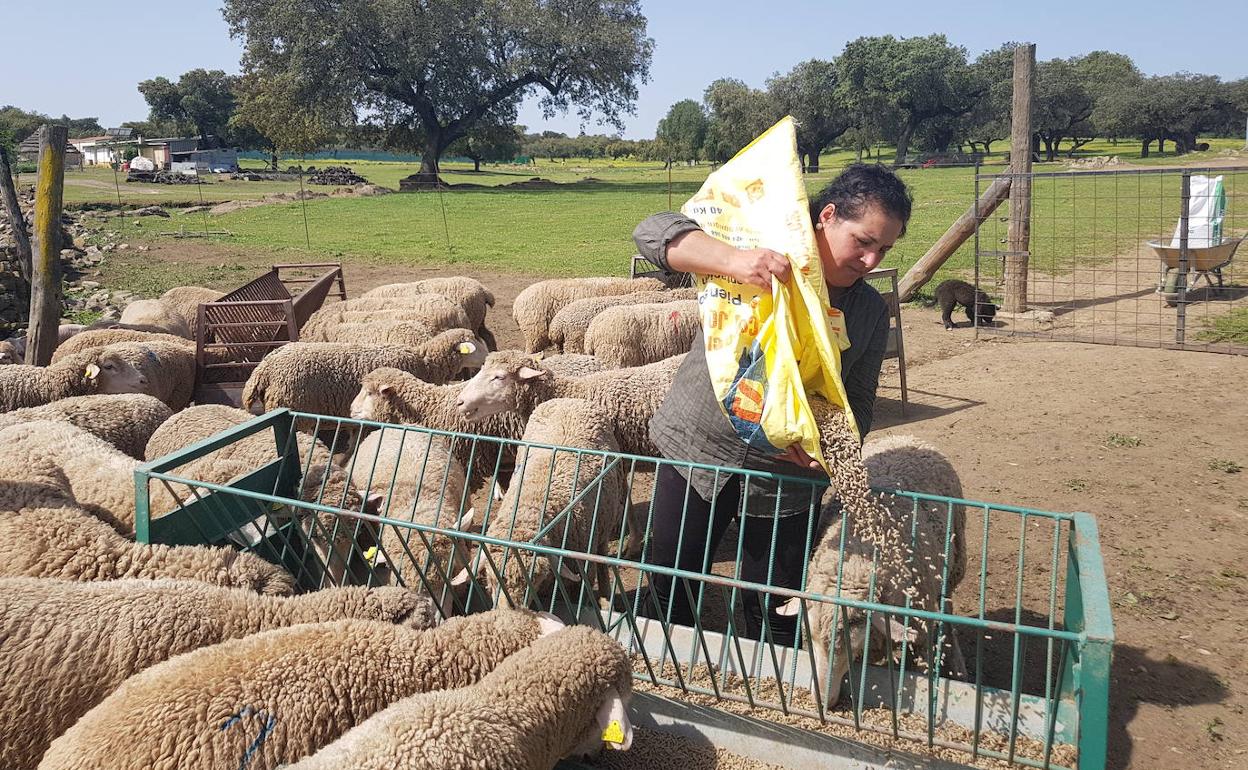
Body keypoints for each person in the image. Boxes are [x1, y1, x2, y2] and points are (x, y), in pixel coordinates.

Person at [631, 163, 913, 646]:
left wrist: (827, 446)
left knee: (777, 602)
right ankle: (667, 667)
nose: (871, 259)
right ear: (827, 216)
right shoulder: (763, 257)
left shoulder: (866, 309)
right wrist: (733, 260)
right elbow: (653, 232)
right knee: (673, 574)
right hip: (701, 444)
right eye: (863, 241)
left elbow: (860, 398)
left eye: (884, 249)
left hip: (787, 471)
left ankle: (775, 680)